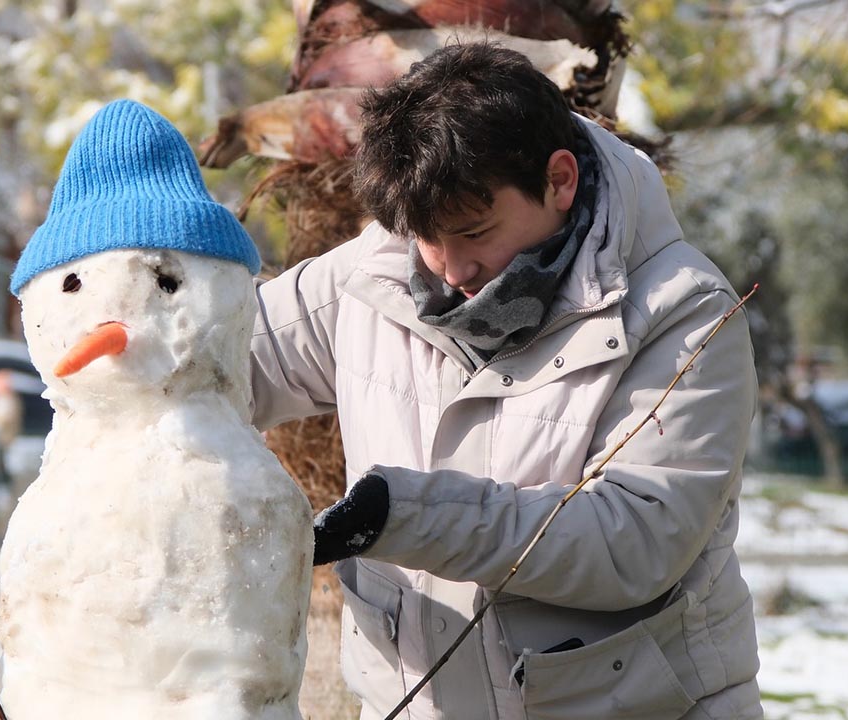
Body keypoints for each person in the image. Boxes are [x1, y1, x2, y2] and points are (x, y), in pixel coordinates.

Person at [248, 42, 762, 720]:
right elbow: (213, 363)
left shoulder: (686, 313)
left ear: (560, 180)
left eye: (474, 232)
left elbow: (633, 541)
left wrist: (406, 517)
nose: (449, 268)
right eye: (425, 238)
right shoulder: (375, 271)